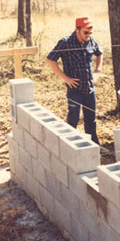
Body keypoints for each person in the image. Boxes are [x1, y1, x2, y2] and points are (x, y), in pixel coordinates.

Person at [45, 17, 103, 146]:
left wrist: (98, 71)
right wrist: (65, 78)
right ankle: (70, 146)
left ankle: (94, 145)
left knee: (91, 119)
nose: (88, 36)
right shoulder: (65, 42)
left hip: (89, 87)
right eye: (85, 32)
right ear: (77, 30)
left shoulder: (91, 41)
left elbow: (99, 54)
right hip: (74, 89)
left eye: (90, 33)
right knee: (73, 119)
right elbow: (50, 60)